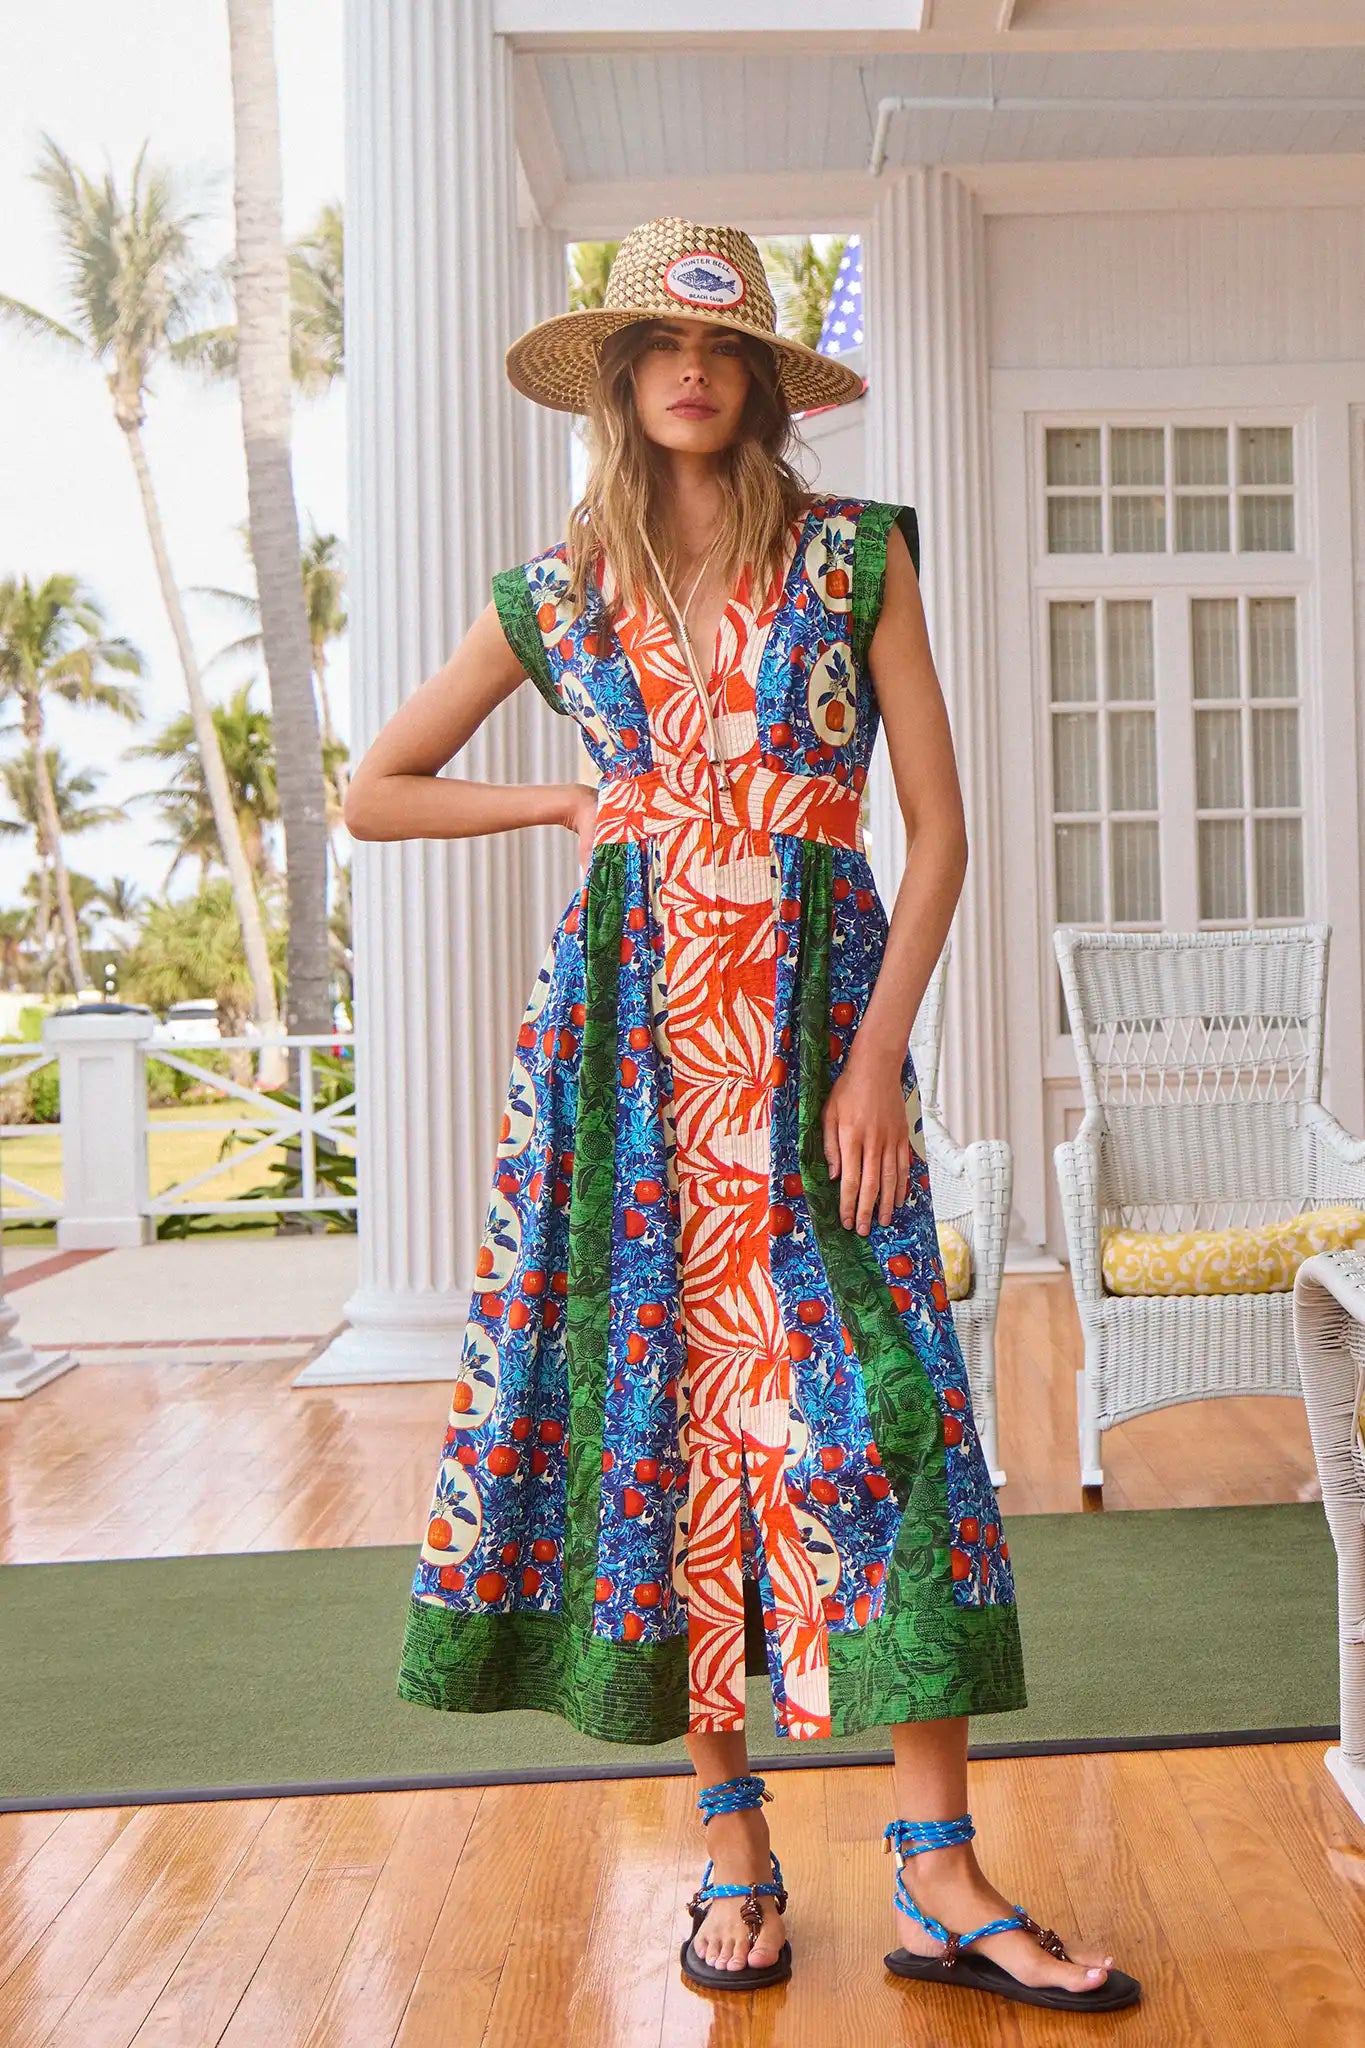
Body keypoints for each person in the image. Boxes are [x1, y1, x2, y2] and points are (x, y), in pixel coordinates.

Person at [344, 218, 1140, 2015]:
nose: (691, 372)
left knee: (886, 1426)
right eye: (658, 346)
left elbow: (931, 832)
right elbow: (373, 791)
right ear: (621, 379)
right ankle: (733, 1855)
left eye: (722, 348)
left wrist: (873, 1058)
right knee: (664, 1434)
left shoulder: (854, 560)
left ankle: (936, 1876)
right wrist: (560, 805)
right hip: (620, 1067)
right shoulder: (553, 594)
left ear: (764, 381)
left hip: (810, 1055)